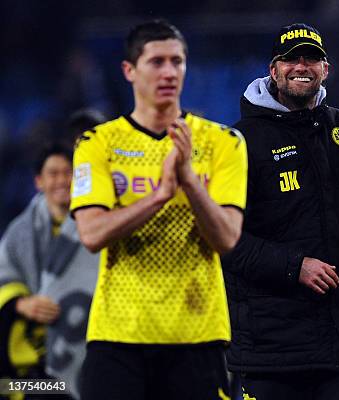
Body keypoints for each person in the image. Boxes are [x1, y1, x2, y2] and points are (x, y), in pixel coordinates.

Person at [70, 19, 247, 400]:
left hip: (198, 334)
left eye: (177, 61)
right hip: (118, 336)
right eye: (157, 62)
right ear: (129, 71)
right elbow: (92, 234)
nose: (169, 72)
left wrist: (187, 180)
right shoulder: (97, 143)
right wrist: (159, 195)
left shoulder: (223, 142)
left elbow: (227, 237)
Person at [221, 23, 339, 400]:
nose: (301, 66)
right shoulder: (239, 142)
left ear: (326, 69)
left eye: (312, 58)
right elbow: (225, 241)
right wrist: (294, 266)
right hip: (270, 352)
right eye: (290, 60)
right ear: (273, 71)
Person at [0, 139, 99, 400]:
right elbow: (3, 274)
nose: (62, 181)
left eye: (69, 173)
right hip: (28, 362)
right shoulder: (19, 232)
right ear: (38, 182)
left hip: (88, 355)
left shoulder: (100, 226)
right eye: (53, 174)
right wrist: (19, 303)